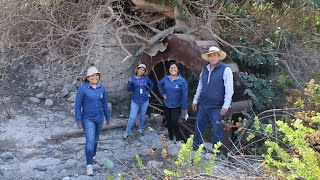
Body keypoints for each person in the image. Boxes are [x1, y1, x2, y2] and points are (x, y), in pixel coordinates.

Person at [192, 46, 234, 153]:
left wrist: (225, 106)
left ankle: (217, 153)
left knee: (217, 130)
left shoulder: (226, 69)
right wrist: (195, 100)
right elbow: (200, 85)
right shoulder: (205, 69)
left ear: (219, 56)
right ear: (208, 57)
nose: (212, 57)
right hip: (204, 105)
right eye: (210, 55)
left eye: (215, 55)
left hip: (217, 107)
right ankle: (196, 148)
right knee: (198, 126)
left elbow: (229, 89)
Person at [75, 66, 110, 176]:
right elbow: (77, 105)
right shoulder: (83, 89)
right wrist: (78, 120)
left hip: (99, 118)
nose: (95, 77)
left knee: (95, 140)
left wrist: (107, 117)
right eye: (92, 75)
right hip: (88, 119)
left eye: (96, 75)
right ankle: (89, 165)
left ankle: (93, 156)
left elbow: (104, 103)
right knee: (90, 141)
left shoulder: (101, 88)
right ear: (87, 78)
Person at [158, 62, 188, 143]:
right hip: (166, 104)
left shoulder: (182, 81)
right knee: (169, 121)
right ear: (169, 70)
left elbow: (185, 96)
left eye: (174, 68)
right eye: (171, 68)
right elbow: (159, 84)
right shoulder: (166, 78)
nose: (172, 69)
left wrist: (184, 108)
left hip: (176, 105)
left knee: (174, 123)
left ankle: (179, 139)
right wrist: (163, 94)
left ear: (178, 70)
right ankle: (171, 137)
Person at [124, 64, 154, 139]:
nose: (141, 71)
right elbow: (128, 89)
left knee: (142, 116)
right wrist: (129, 82)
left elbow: (152, 84)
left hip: (145, 100)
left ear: (144, 72)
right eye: (140, 69)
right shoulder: (132, 78)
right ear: (137, 70)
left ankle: (140, 129)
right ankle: (126, 132)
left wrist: (148, 91)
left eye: (143, 70)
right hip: (135, 101)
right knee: (132, 117)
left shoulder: (146, 78)